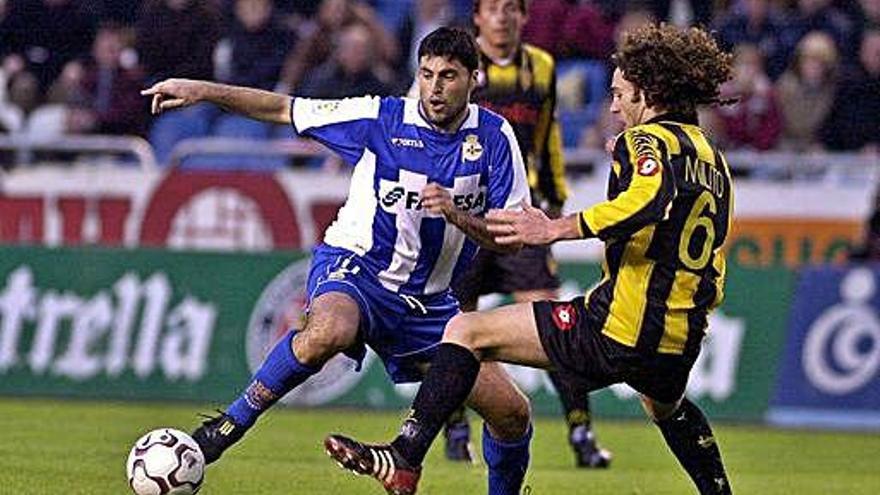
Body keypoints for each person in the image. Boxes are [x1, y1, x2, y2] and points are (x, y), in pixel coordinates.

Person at [326, 23, 736, 495]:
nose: (614, 106)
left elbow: (649, 199)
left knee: (465, 330)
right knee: (667, 406)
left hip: (620, 326)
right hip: (679, 337)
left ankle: (404, 454)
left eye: (621, 93)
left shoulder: (645, 142)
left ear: (648, 94)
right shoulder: (712, 157)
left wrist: (556, 227)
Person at [142, 27, 535, 495]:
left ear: (474, 79)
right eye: (427, 74)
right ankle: (226, 428)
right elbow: (282, 108)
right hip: (358, 268)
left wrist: (455, 213)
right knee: (329, 330)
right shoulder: (380, 117)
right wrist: (201, 91)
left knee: (512, 413)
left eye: (448, 76)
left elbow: (512, 238)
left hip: (429, 305)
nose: (434, 87)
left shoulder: (494, 138)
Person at [441, 0, 611, 468]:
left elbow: (546, 137)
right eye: (492, 9)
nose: (501, 17)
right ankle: (455, 428)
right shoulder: (457, 66)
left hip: (518, 214)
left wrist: (554, 195)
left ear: (522, 17)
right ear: (477, 18)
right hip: (468, 216)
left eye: (510, 9)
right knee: (456, 325)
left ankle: (581, 431)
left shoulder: (541, 66)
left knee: (554, 324)